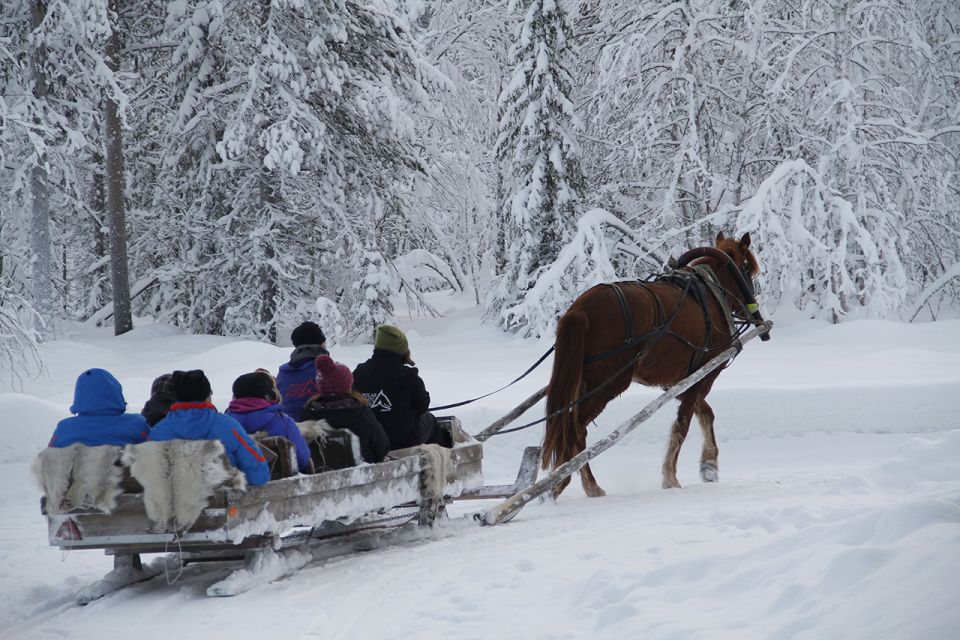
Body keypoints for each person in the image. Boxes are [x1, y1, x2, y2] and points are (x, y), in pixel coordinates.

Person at [149, 370, 270, 486]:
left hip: (177, 504)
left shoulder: (158, 432)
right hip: (225, 502)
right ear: (206, 395)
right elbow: (259, 476)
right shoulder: (229, 426)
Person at [352, 325, 451, 451]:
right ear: (401, 349)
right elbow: (422, 406)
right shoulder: (408, 376)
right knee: (430, 421)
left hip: (372, 440)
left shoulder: (359, 373)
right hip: (404, 440)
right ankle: (444, 456)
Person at [301, 355, 391, 463]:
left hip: (322, 474)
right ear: (348, 385)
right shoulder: (360, 412)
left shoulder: (309, 412)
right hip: (362, 473)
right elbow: (382, 447)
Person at [225, 370, 312, 473]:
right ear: (270, 395)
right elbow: (302, 460)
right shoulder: (284, 423)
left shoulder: (224, 424)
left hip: (239, 486)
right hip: (282, 486)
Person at [48, 368, 150, 448]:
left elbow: (49, 461)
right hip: (123, 473)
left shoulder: (64, 429)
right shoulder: (136, 424)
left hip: (79, 474)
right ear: (116, 394)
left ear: (79, 396)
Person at [276, 321, 328, 421]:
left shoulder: (283, 373)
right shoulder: (329, 370)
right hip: (323, 431)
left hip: (290, 430)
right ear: (321, 344)